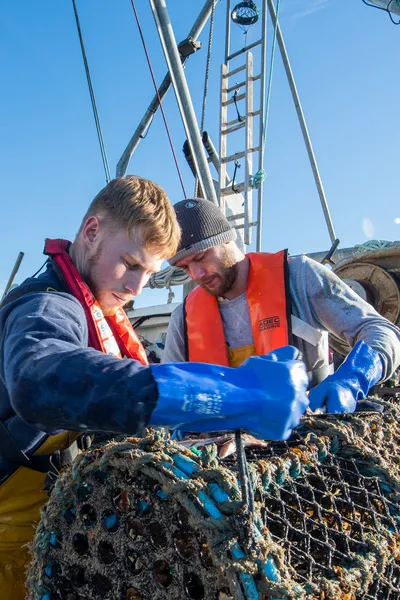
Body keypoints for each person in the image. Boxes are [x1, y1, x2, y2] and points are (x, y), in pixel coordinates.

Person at [0, 177, 309, 599]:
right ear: (91, 232)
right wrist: (211, 394)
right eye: (130, 263)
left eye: (148, 272)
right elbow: (36, 377)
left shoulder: (101, 312)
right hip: (9, 533)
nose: (135, 288)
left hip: (54, 518)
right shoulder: (46, 305)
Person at [164, 198, 400, 414]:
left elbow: (383, 332)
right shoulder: (183, 318)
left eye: (201, 256)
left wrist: (352, 379)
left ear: (226, 239)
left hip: (308, 431)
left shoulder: (299, 277)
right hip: (221, 447)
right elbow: (170, 390)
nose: (196, 274)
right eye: (183, 267)